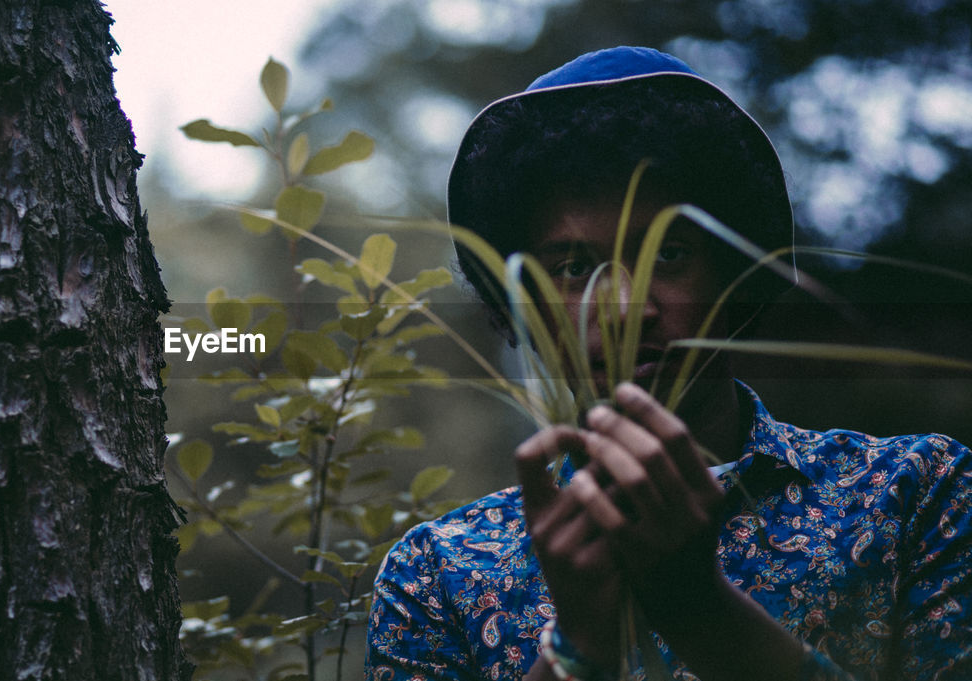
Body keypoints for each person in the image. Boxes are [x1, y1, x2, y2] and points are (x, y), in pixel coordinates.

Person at [365, 47, 972, 681]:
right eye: (574, 269)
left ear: (735, 277)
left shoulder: (915, 495)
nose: (626, 309)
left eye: (669, 255)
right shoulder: (440, 573)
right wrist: (578, 646)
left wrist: (695, 605)